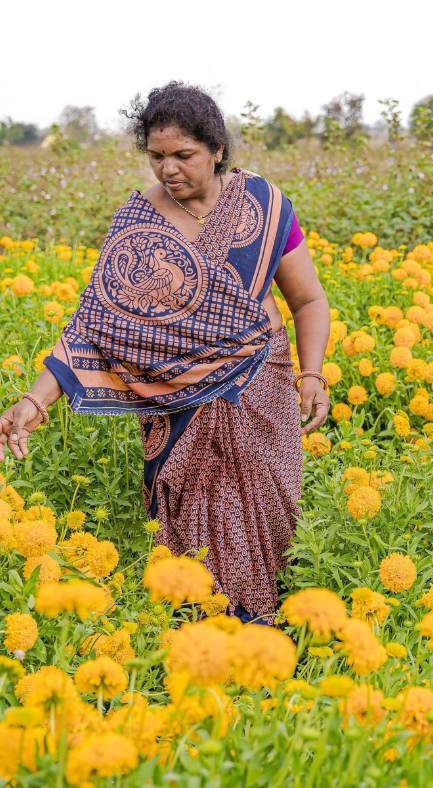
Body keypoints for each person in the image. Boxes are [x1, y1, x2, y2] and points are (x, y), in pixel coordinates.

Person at [0, 82, 331, 622]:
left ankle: (270, 647)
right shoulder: (139, 222)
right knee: (189, 527)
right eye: (156, 156)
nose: (168, 169)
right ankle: (196, 644)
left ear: (217, 150)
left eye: (184, 155)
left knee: (266, 519)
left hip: (261, 387)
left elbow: (309, 299)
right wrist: (34, 403)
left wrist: (311, 374)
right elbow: (94, 324)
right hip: (178, 405)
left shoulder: (266, 206)